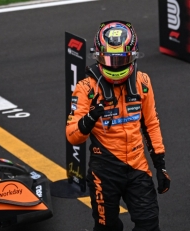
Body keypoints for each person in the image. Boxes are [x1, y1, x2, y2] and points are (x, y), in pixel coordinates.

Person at [65, 20, 171, 231]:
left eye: (121, 59)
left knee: (149, 225)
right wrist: (90, 118)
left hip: (137, 167)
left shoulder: (143, 82)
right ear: (98, 56)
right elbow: (72, 136)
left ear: (132, 56)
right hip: (104, 172)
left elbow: (151, 124)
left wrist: (160, 165)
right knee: (107, 227)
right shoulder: (85, 88)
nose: (115, 65)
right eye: (109, 59)